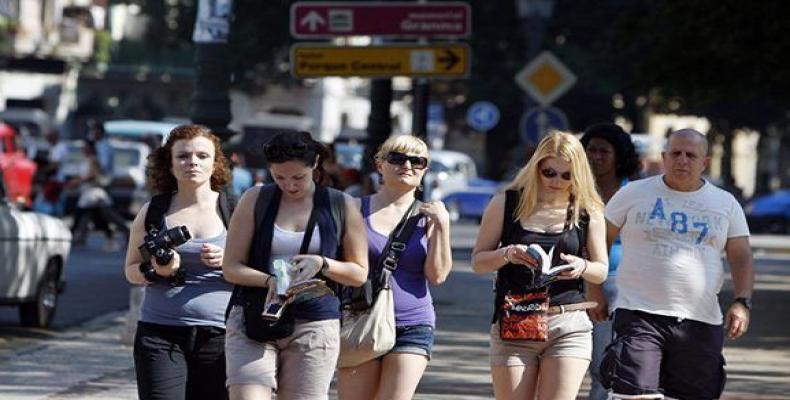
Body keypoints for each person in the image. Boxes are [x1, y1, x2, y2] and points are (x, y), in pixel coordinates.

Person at [600, 129, 754, 399]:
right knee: (633, 395)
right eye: (676, 154)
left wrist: (742, 301)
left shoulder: (725, 203)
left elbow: (740, 255)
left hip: (700, 320)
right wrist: (594, 288)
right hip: (639, 313)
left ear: (704, 162)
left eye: (690, 155)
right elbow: (600, 239)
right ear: (664, 157)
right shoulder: (634, 193)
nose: (682, 160)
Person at [222, 131, 369, 400]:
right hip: (255, 316)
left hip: (314, 322)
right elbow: (231, 266)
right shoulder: (256, 199)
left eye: (298, 177)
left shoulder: (340, 204)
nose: (289, 185)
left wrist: (322, 263)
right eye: (279, 177)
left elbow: (359, 273)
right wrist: (269, 281)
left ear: (314, 165)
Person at [471, 131, 609, 400]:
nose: (557, 181)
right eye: (550, 172)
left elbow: (601, 269)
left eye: (567, 175)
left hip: (568, 322)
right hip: (517, 320)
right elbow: (478, 262)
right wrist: (508, 253)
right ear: (536, 167)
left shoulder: (587, 211)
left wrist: (582, 266)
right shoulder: (506, 203)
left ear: (578, 175)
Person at [337, 135, 453, 400]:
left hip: (413, 323)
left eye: (417, 161)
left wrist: (443, 225)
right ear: (380, 165)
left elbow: (437, 275)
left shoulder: (430, 217)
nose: (407, 165)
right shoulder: (354, 209)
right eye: (397, 158)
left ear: (425, 170)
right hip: (359, 319)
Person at [123, 125, 234, 400]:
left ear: (215, 163)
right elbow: (130, 270)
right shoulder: (154, 210)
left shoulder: (236, 209)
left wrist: (229, 262)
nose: (192, 162)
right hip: (160, 334)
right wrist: (155, 270)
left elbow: (263, 268)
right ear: (169, 164)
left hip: (221, 335)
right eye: (183, 156)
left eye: (202, 155)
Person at [579, 123, 640, 400]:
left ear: (620, 156)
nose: (595, 156)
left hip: (620, 287)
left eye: (604, 151)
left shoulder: (636, 195)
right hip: (570, 284)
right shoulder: (572, 189)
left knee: (607, 367)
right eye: (590, 150)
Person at [70, 140, 129, 250]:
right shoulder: (86, 160)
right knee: (97, 217)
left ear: (91, 149)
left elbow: (95, 174)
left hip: (93, 194)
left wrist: (79, 181)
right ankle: (109, 237)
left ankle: (71, 236)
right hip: (88, 193)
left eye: (85, 147)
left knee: (81, 214)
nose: (83, 149)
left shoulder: (93, 160)